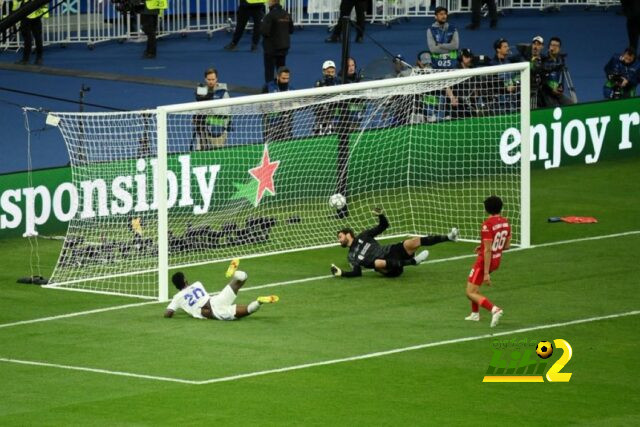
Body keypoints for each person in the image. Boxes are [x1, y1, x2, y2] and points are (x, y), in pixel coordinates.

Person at [331, 207, 459, 278]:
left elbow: (384, 226)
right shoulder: (351, 256)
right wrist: (342, 273)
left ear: (348, 234)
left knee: (412, 242)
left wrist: (380, 215)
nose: (339, 240)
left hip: (390, 251)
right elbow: (357, 272)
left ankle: (449, 237)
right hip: (388, 269)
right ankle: (413, 262)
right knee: (377, 263)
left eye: (340, 236)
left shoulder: (364, 236)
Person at [164, 264, 279, 321]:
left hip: (214, 312)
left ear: (175, 285)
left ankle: (259, 302)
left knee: (248, 310)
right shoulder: (197, 284)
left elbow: (168, 313)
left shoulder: (177, 297)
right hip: (216, 299)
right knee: (242, 279)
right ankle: (234, 273)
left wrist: (178, 308)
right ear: (185, 280)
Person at [464, 195, 510, 327]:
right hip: (496, 260)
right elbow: (506, 246)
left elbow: (488, 250)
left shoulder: (487, 225)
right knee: (474, 286)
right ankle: (475, 314)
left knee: (470, 292)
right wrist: (484, 246)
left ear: (486, 209)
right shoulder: (506, 222)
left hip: (485, 262)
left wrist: (485, 273)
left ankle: (494, 310)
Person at [193, 68, 231, 150]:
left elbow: (225, 112)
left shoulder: (223, 92)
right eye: (209, 79)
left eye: (213, 79)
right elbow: (197, 109)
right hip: (203, 129)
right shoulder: (202, 91)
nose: (211, 81)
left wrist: (209, 108)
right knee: (201, 155)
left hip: (218, 129)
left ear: (216, 79)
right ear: (205, 79)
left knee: (217, 155)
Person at [260, 0, 293, 84]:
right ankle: (283, 89)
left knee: (269, 72)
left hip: (271, 48)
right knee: (282, 71)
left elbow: (264, 32)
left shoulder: (269, 16)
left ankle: (270, 92)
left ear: (271, 1)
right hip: (283, 47)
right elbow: (291, 30)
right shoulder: (286, 14)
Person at [539, 37, 575, 107]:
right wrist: (551, 90)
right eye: (552, 45)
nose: (554, 47)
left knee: (571, 104)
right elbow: (542, 80)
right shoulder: (543, 60)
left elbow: (560, 77)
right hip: (546, 92)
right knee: (554, 107)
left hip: (557, 92)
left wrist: (560, 87)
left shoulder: (560, 61)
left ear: (559, 49)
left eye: (556, 46)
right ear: (549, 47)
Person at [262, 66, 294, 142]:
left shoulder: (291, 89)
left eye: (287, 78)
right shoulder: (268, 87)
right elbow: (261, 103)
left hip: (286, 123)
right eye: (283, 78)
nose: (286, 81)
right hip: (270, 122)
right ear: (278, 77)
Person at [13, 0, 48, 65]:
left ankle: (26, 59)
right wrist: (45, 14)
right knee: (37, 37)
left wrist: (14, 12)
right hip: (36, 14)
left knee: (28, 38)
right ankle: (39, 58)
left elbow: (16, 2)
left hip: (26, 13)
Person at [313, 60, 340, 135]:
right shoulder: (319, 83)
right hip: (322, 117)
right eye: (328, 72)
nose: (330, 74)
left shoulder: (338, 82)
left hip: (336, 116)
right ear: (324, 72)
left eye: (332, 72)